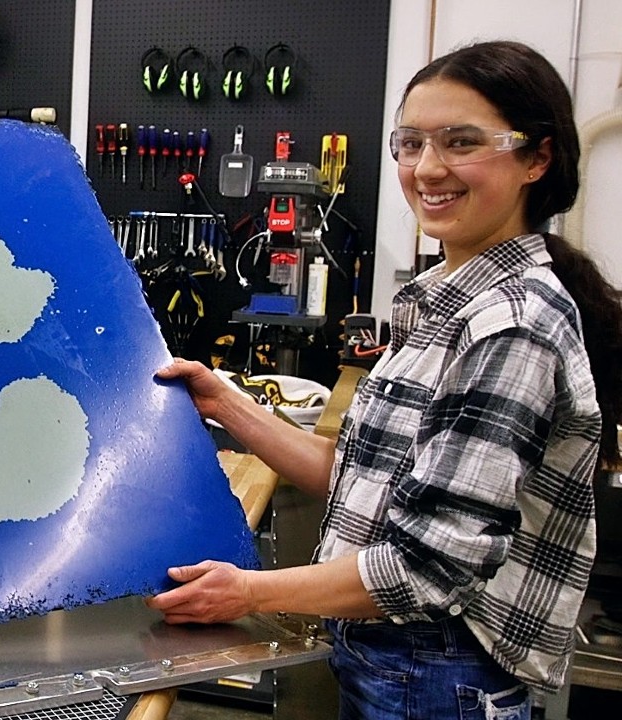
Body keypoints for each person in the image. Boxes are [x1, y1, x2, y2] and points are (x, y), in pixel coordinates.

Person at [148, 40, 622, 718]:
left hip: (437, 675)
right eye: (410, 143)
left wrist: (249, 591)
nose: (427, 169)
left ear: (536, 158)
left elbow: (425, 566)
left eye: (461, 142)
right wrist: (228, 403)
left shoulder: (512, 325)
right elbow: (362, 480)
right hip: (399, 665)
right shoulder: (445, 297)